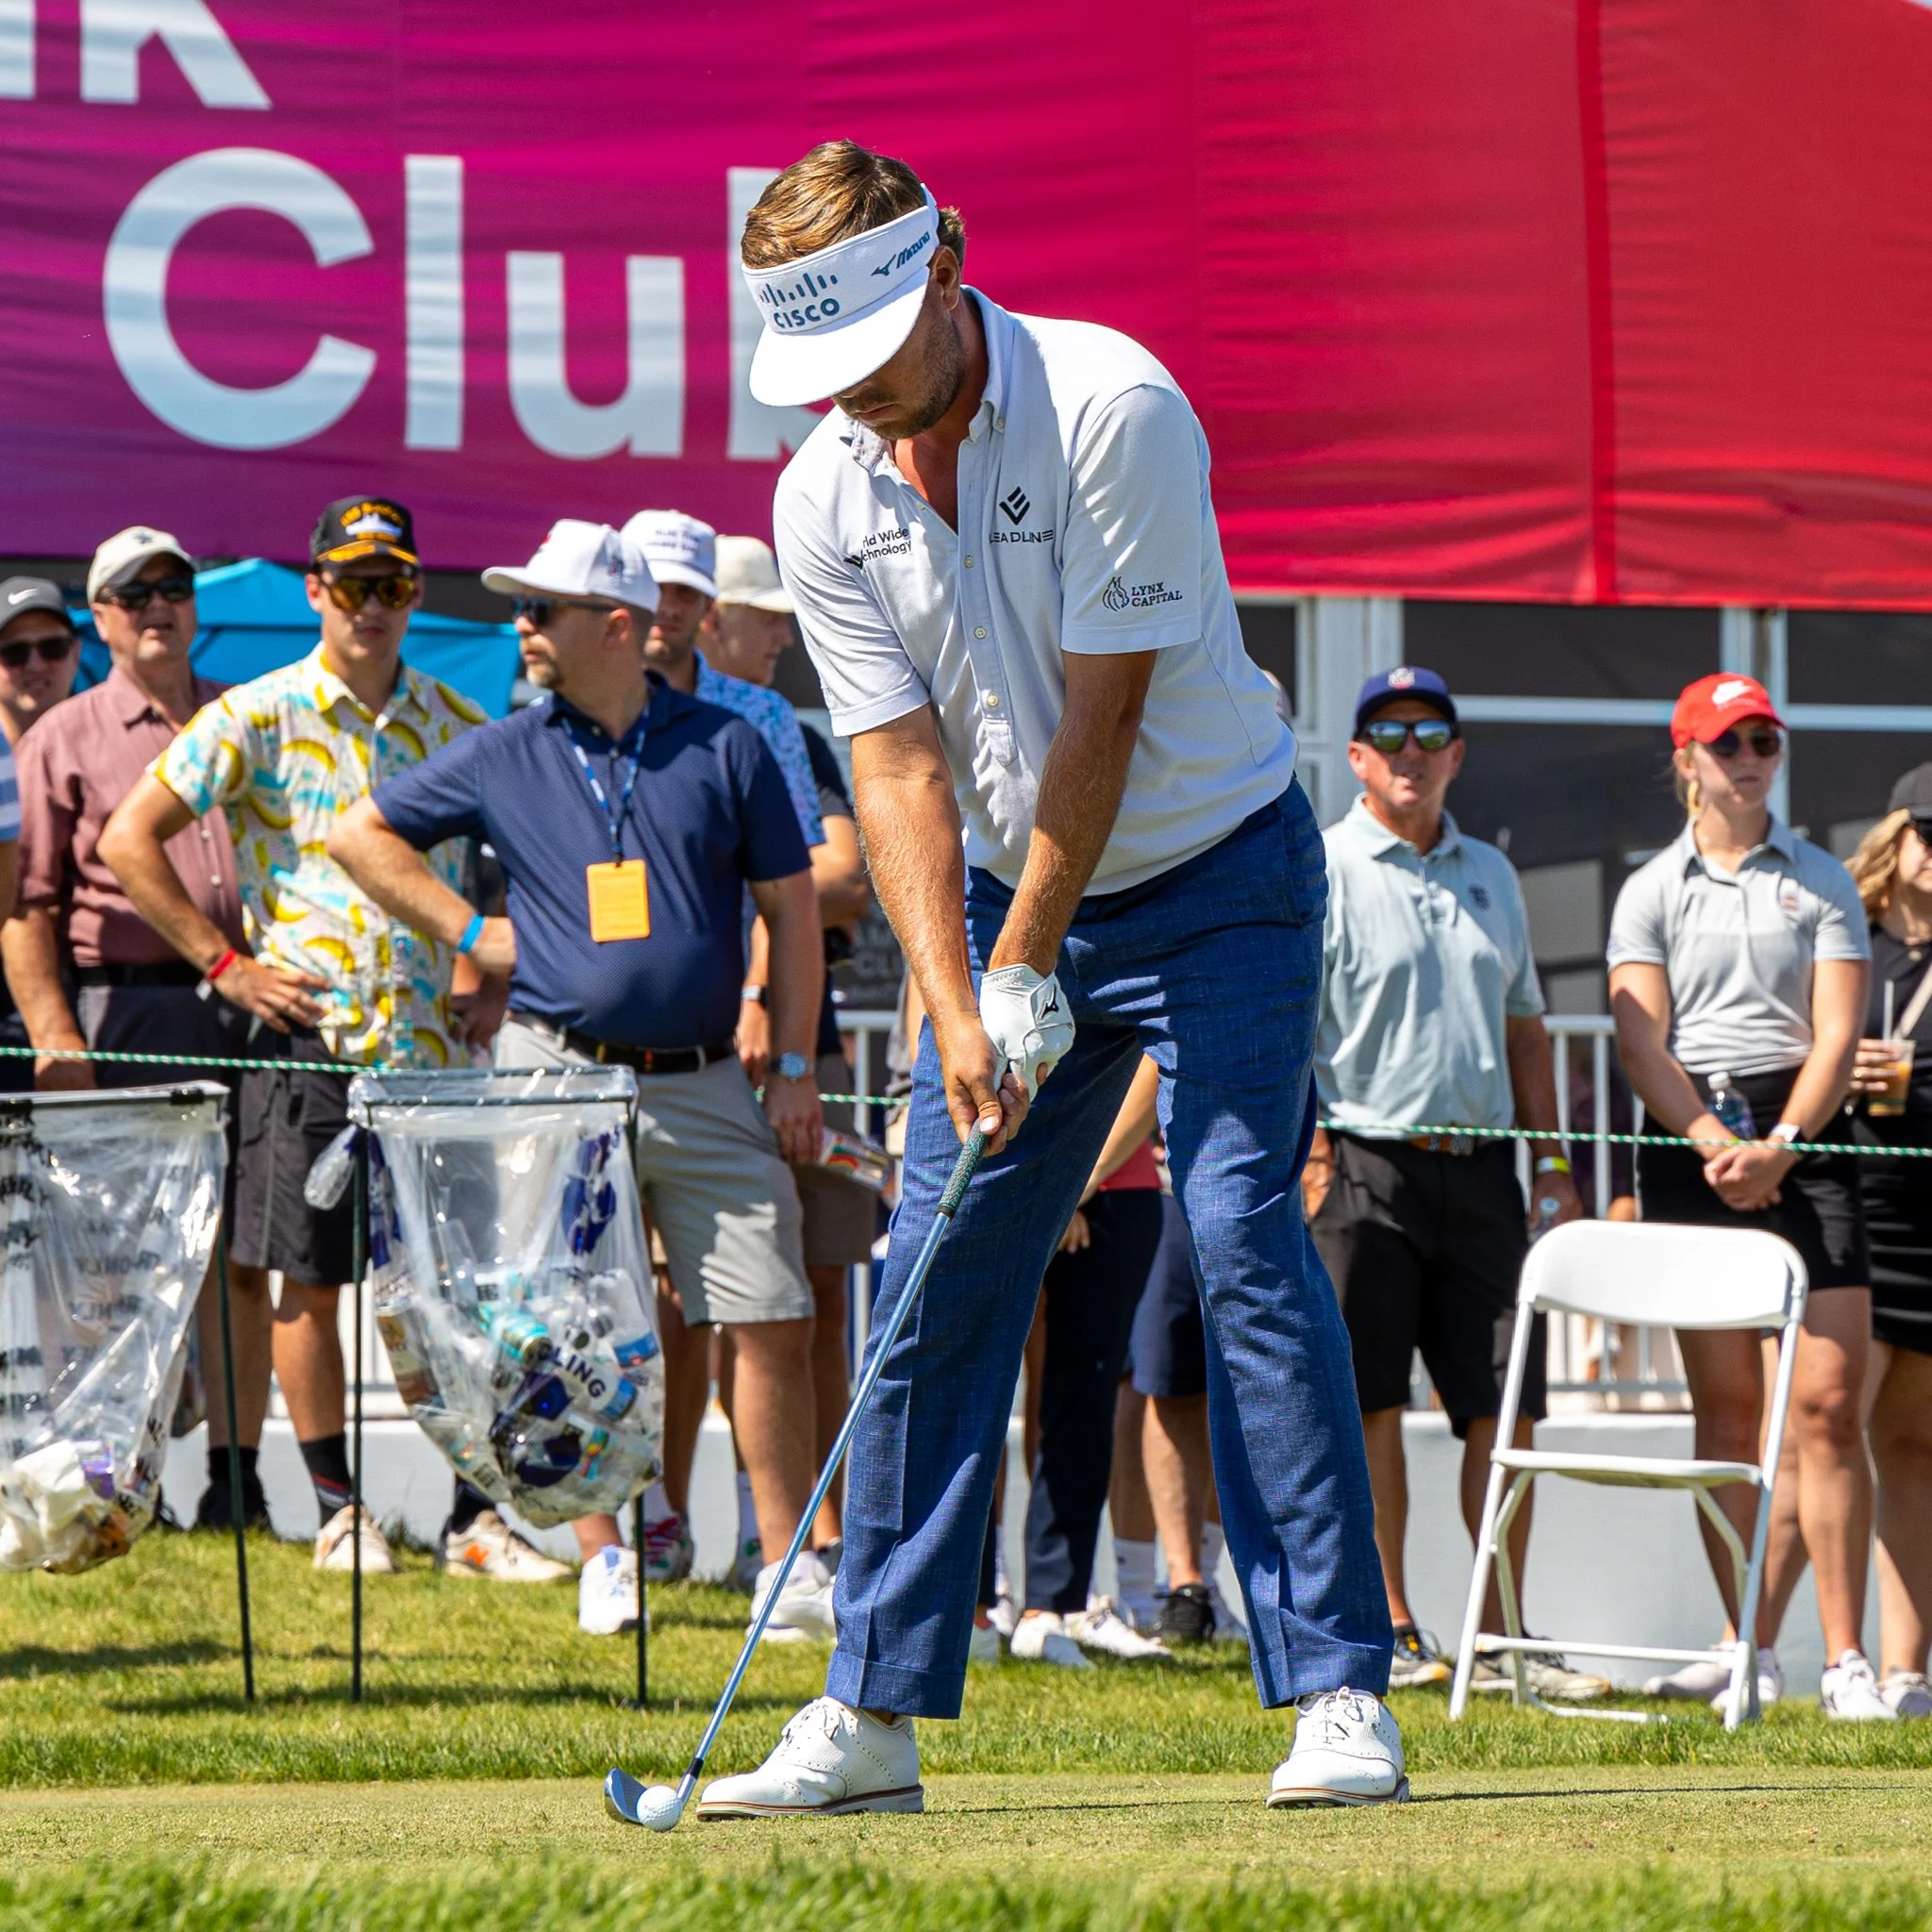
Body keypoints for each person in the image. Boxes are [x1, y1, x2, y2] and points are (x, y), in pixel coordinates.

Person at [691, 139, 1401, 1822]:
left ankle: (1335, 1690)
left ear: (948, 260)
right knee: (939, 1273)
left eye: (874, 350)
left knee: (1235, 1236)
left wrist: (1017, 965)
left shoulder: (1113, 405)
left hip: (1219, 876)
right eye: (825, 372)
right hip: (1015, 896)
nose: (856, 397)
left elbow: (1104, 715)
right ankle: (869, 1708)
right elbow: (898, 768)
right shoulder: (821, 490)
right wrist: (955, 998)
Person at [327, 518, 835, 1645]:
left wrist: (794, 1063)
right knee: (559, 1323)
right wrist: (469, 928)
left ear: (613, 625)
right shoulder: (510, 745)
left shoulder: (727, 742)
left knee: (771, 1312)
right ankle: (603, 1555)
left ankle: (787, 1562)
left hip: (706, 1078)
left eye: (539, 610)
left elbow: (792, 910)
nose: (520, 627)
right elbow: (362, 835)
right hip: (553, 1073)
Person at [98, 496, 490, 1575]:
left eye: (394, 583)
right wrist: (224, 963)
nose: (373, 604)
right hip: (308, 1039)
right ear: (314, 588)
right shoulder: (256, 714)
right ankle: (337, 1509)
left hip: (430, 1052)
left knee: (446, 1290)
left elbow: (493, 863)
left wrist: (483, 969)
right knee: (307, 1283)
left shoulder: (458, 720)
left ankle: (471, 1516)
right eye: (353, 583)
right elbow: (129, 839)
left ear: (415, 592)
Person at [1306, 666, 1605, 1703]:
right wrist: (1305, 1152)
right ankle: (1388, 1625)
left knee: (1504, 1408)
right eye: (1385, 732)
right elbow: (1292, 1028)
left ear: (1455, 754)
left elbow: (1525, 1027)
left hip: (1482, 1171)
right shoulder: (1325, 863)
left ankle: (1503, 1635)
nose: (1408, 749)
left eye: (1428, 731)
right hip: (1361, 1164)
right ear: (1354, 757)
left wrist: (1555, 1163)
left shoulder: (1492, 874)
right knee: (1372, 1406)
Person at [1608, 673, 1882, 1720]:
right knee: (1723, 1412)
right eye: (1728, 742)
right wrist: (1709, 1135)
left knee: (1822, 1405)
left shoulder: (1819, 877)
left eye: (1763, 737)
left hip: (1802, 1136)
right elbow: (1638, 1034)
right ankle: (1745, 1650)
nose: (1750, 756)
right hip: (1690, 1135)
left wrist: (1776, 1142)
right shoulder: (1648, 886)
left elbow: (1834, 1035)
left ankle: (1846, 1660)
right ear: (1686, 758)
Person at [5, 531, 272, 1531]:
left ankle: (236, 1477)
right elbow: (26, 905)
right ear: (102, 618)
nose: (157, 604)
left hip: (243, 1003)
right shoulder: (62, 735)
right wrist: (52, 1033)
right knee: (116, 1261)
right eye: (132, 592)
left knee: (242, 1251)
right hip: (121, 1008)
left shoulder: (245, 714)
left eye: (174, 586)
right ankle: (112, 1479)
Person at [703, 531, 876, 1583]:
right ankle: (703, 1530)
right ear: (703, 619)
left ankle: (823, 1536)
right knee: (702, 1304)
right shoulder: (647, 737)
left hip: (801, 1053)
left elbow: (848, 875)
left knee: (809, 1290)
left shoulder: (793, 736)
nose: (782, 630)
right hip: (690, 1051)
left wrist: (764, 925)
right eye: (763, 612)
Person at [1008, 1054, 1171, 1666]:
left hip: (1117, 1191)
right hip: (1016, 1170)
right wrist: (1059, 1188)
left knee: (1082, 1399)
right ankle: (975, 1606)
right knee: (974, 1387)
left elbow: (1153, 1063)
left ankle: (1055, 1605)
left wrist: (1079, 1180)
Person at [1841, 768, 1932, 1719]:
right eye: (1926, 829)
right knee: (1821, 1435)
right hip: (1854, 1210)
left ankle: (1905, 1672)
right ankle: (1754, 1648)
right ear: (1895, 836)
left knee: (1913, 1446)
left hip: (1930, 1220)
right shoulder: (1848, 942)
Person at [1109, 1195, 1250, 1650]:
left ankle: (1198, 1589)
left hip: (1241, 1181)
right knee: (1156, 1379)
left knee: (1229, 1383)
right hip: (1154, 1186)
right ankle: (1143, 1592)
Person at [0, 577, 80, 1094]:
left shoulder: (108, 744)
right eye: (14, 652)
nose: (35, 664)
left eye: (50, 647)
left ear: (75, 653)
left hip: (89, 1005)